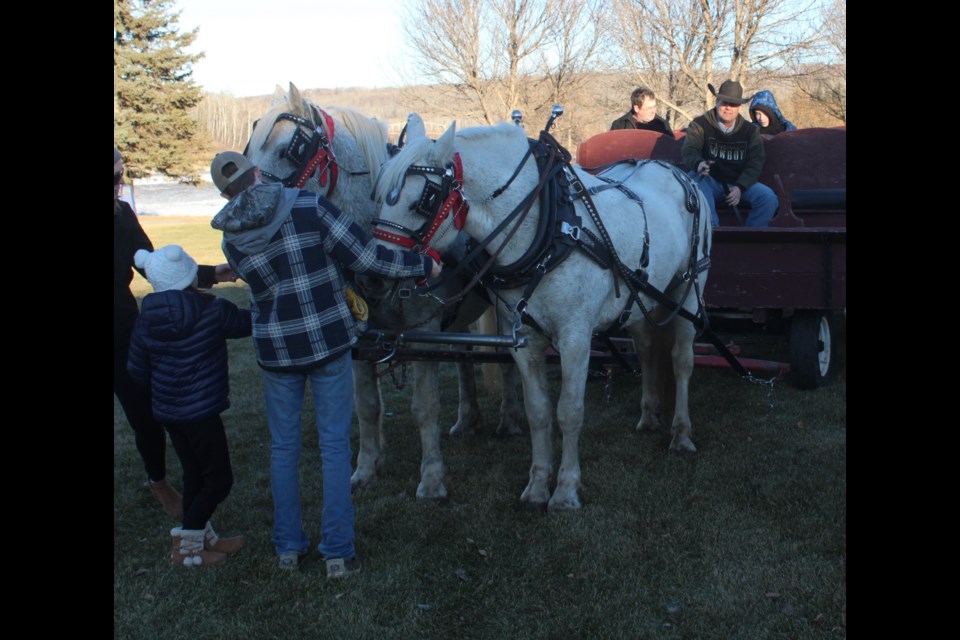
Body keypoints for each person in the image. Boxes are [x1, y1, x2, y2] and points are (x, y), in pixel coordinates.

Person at [208, 151, 443, 578]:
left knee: (283, 450)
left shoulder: (231, 236)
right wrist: (422, 263)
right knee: (334, 447)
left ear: (224, 193)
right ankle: (337, 553)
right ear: (258, 172)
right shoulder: (307, 205)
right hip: (328, 343)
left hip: (276, 349)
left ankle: (287, 549)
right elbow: (368, 258)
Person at [113, 146, 237, 519]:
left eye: (120, 175)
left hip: (122, 331)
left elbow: (155, 267)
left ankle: (159, 481)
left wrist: (209, 275)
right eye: (114, 177)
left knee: (146, 414)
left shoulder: (122, 214)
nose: (119, 184)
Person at [127, 245, 252, 567]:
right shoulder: (211, 310)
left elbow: (137, 371)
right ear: (189, 275)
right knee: (219, 479)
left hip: (170, 413)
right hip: (201, 412)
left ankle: (201, 538)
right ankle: (187, 545)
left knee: (194, 473)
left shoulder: (144, 320)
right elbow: (246, 324)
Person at [681, 80, 779, 227]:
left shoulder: (750, 131)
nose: (728, 108)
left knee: (768, 198)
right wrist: (699, 163)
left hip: (738, 181)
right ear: (717, 101)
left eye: (733, 104)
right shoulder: (700, 124)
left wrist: (740, 187)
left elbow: (755, 163)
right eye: (724, 103)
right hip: (709, 180)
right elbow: (690, 149)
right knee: (697, 185)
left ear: (739, 107)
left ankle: (751, 240)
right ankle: (713, 235)